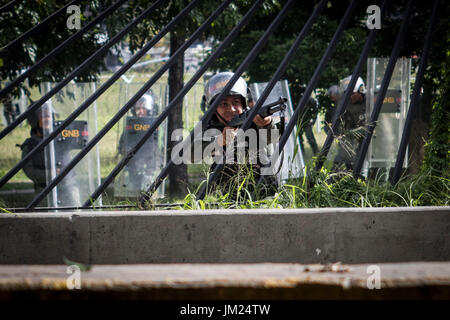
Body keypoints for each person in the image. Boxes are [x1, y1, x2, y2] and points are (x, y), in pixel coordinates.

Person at [197, 72, 280, 198]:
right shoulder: (209, 125)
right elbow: (191, 153)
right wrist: (220, 141)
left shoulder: (253, 119)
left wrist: (266, 124)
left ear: (243, 104)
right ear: (214, 108)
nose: (231, 109)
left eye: (236, 102)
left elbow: (272, 138)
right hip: (227, 190)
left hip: (263, 185)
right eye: (224, 104)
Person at [20, 102, 80, 206]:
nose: (48, 119)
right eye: (44, 117)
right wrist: (50, 174)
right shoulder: (30, 145)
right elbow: (29, 170)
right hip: (44, 191)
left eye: (50, 116)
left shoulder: (61, 138)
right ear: (34, 120)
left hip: (68, 188)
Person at [117, 94, 159, 195]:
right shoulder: (131, 124)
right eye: (138, 108)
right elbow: (123, 143)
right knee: (133, 192)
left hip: (149, 165)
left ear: (149, 110)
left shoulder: (154, 124)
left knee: (148, 192)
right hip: (133, 165)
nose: (140, 111)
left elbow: (157, 146)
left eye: (143, 108)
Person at [329, 76, 367, 170]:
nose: (350, 97)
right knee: (339, 161)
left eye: (353, 94)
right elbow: (339, 124)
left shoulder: (371, 102)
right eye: (348, 94)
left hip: (370, 143)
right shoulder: (344, 104)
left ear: (361, 90)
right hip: (350, 141)